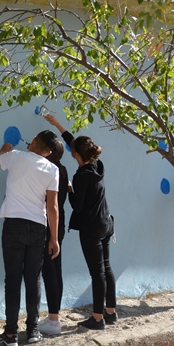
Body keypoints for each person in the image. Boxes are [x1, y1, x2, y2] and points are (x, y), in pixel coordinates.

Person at [0, 131, 61, 346]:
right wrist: (54, 238)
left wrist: (4, 150)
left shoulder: (16, 156)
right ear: (48, 152)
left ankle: (10, 334)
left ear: (35, 141)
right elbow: (53, 207)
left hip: (14, 225)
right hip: (38, 227)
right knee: (33, 279)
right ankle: (33, 330)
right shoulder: (52, 169)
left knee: (12, 279)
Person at [46, 118, 116, 331]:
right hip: (107, 223)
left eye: (72, 149)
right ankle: (110, 312)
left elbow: (77, 205)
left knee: (97, 273)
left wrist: (69, 189)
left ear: (76, 154)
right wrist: (58, 125)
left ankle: (97, 318)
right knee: (106, 267)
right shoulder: (97, 166)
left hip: (91, 228)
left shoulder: (81, 177)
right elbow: (73, 142)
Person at [38, 115, 70, 335]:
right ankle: (53, 317)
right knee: (55, 270)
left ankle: (53, 320)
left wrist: (52, 237)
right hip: (58, 225)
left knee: (49, 271)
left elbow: (50, 206)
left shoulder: (49, 172)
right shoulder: (63, 170)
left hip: (50, 225)